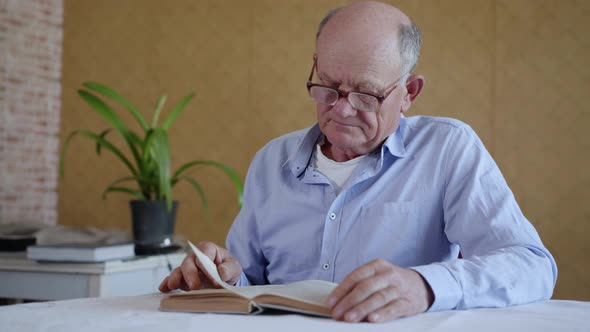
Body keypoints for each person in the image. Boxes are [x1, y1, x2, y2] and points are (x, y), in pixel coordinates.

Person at [159, 1, 557, 323]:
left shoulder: (446, 149)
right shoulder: (271, 161)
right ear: (315, 66)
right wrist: (224, 276)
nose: (343, 110)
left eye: (366, 94)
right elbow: (252, 285)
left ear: (409, 92)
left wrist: (424, 286)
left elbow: (531, 266)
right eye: (328, 88)